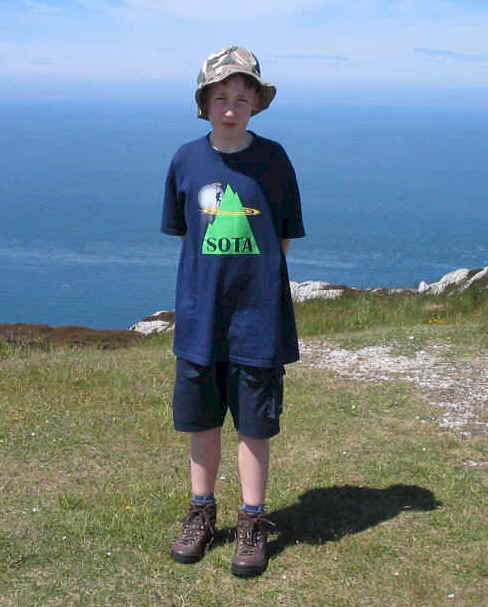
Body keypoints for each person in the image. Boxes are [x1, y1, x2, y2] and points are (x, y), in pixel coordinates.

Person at [161, 46, 305, 578]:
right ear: (205, 103)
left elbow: (284, 235)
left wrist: (257, 287)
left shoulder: (274, 160)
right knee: (200, 422)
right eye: (220, 97)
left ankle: (252, 518)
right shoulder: (185, 159)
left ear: (256, 104)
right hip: (200, 319)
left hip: (259, 320)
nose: (230, 107)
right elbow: (184, 232)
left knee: (254, 427)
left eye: (241, 98)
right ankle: (201, 510)